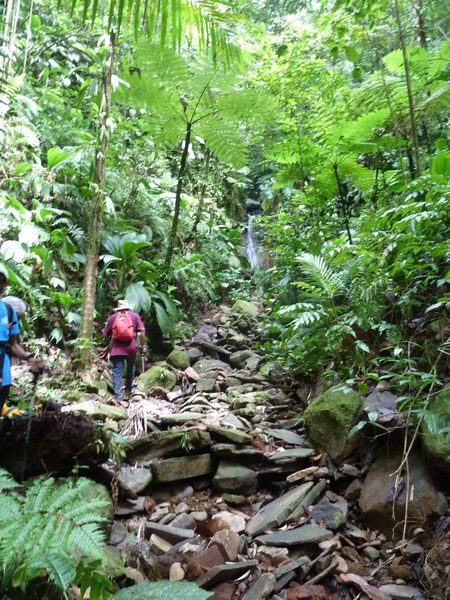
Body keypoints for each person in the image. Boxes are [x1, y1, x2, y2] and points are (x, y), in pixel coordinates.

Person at [0, 266, 44, 417]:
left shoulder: (8, 311)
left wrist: (29, 358)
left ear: (4, 284)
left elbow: (13, 344)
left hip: (2, 369)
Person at [102, 300, 145, 405]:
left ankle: (118, 397)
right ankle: (128, 392)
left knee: (117, 372)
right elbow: (142, 332)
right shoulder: (135, 316)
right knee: (131, 369)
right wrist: (141, 345)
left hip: (116, 349)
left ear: (118, 308)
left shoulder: (113, 318)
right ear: (128, 307)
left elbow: (105, 334)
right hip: (131, 348)